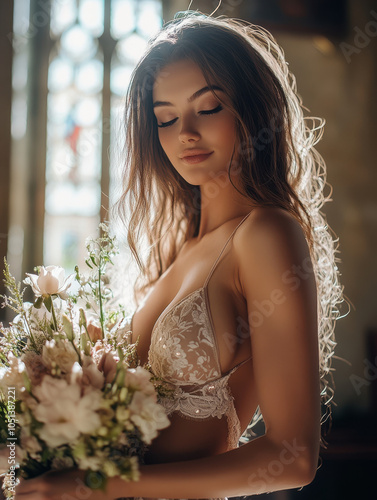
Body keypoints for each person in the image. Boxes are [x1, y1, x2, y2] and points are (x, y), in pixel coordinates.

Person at [14, 7, 349, 500]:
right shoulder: (178, 247)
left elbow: (292, 457)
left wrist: (98, 487)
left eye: (208, 108)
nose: (184, 133)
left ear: (254, 109)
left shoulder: (266, 234)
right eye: (165, 118)